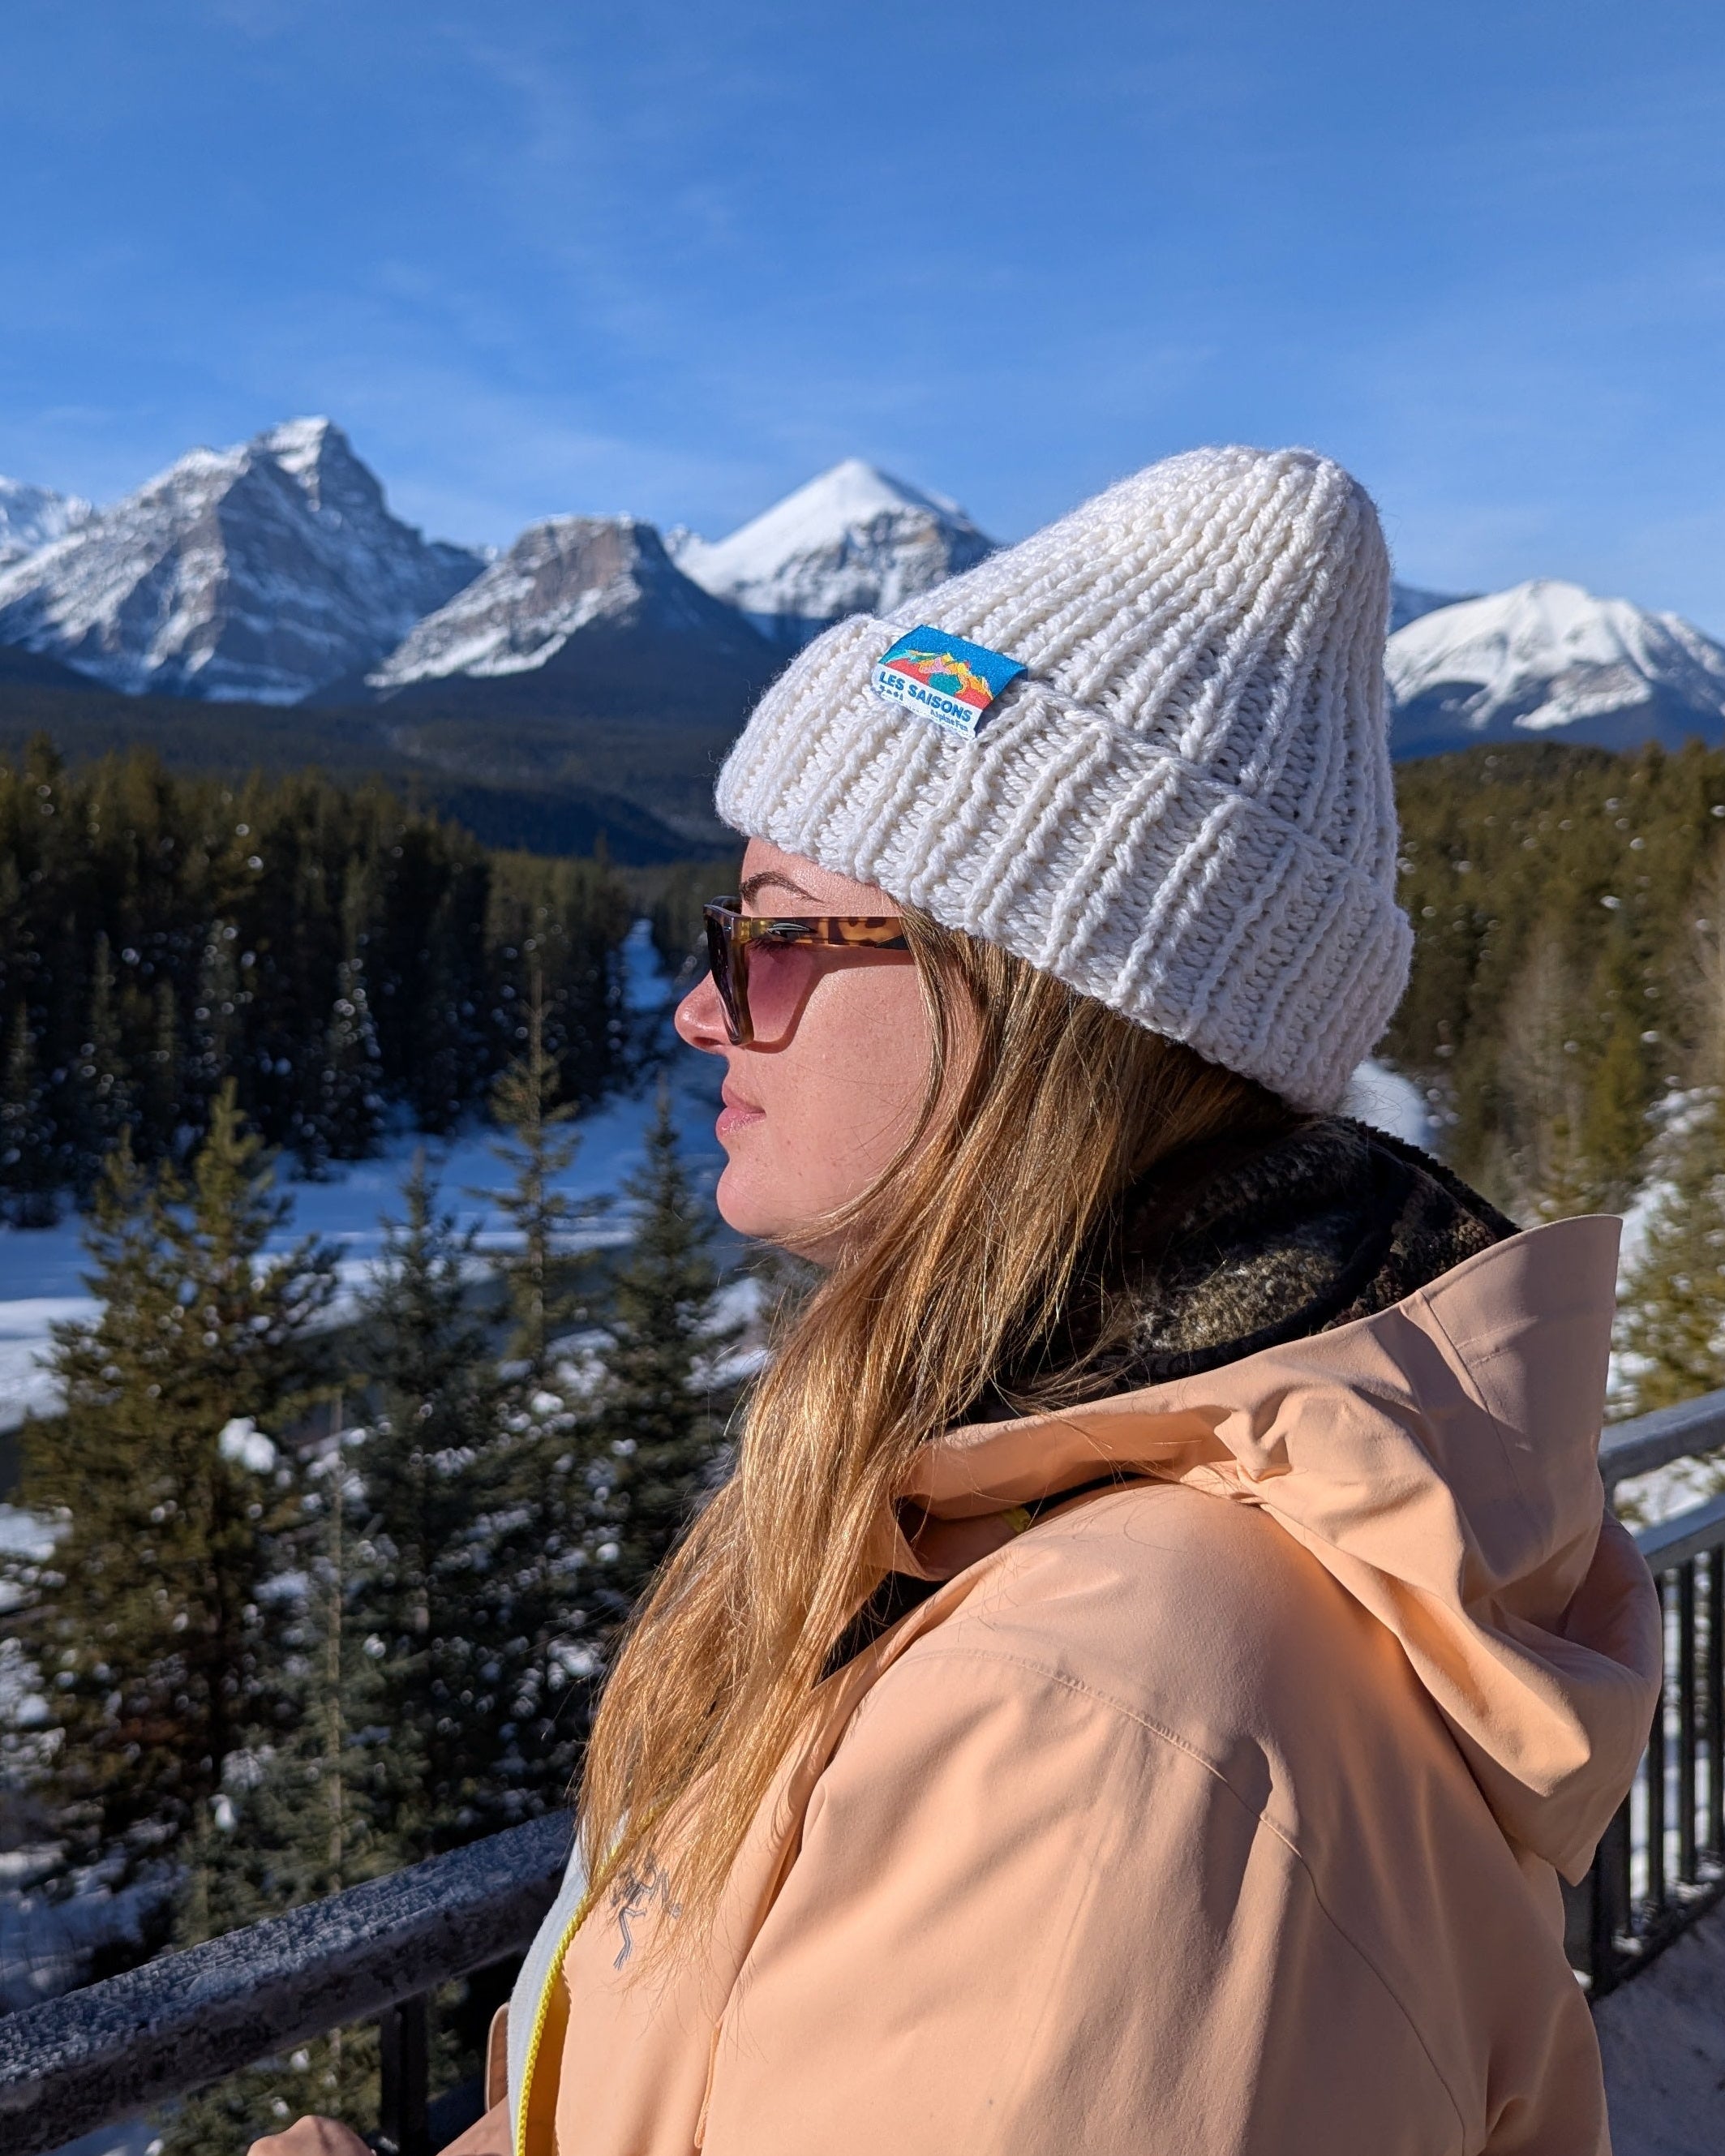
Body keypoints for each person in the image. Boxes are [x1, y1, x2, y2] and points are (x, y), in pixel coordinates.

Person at [254, 446, 1660, 2156]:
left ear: (1025, 1001)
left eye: (768, 937)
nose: (702, 1016)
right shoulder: (1022, 1524)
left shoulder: (1095, 1733)